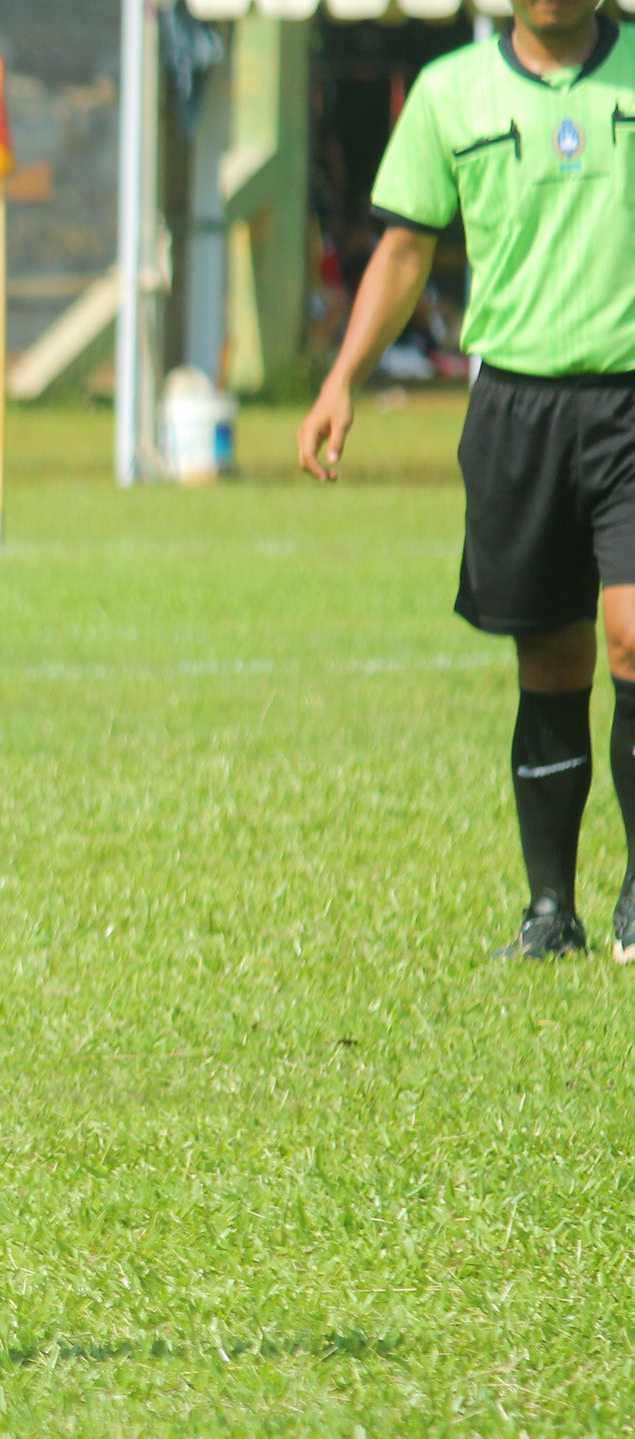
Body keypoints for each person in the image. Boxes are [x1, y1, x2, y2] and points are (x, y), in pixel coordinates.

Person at [298, 0, 635, 960]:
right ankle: (550, 910)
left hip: (630, 400)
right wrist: (341, 379)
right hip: (516, 409)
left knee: (632, 633)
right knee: (553, 658)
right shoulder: (451, 93)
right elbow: (403, 253)